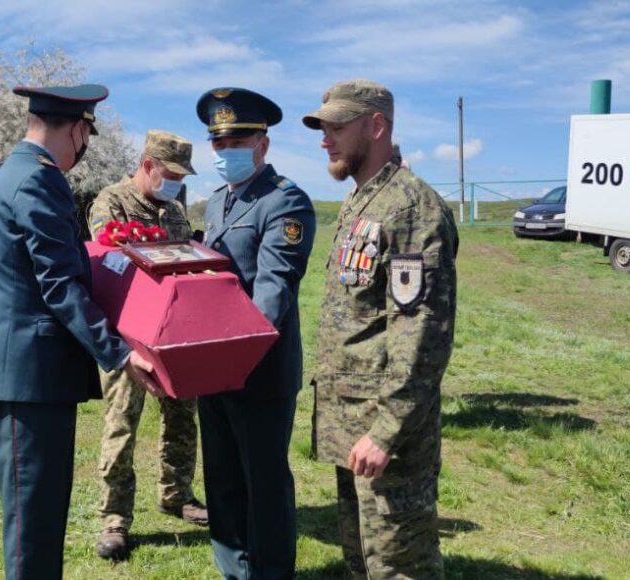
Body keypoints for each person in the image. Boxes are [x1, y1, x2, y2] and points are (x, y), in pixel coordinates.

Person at [0, 84, 162, 580]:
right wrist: (119, 354)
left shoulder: (17, 172)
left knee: (41, 515)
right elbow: (58, 285)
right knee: (33, 526)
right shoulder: (37, 180)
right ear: (78, 129)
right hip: (29, 381)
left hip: (29, 378)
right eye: (87, 134)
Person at [303, 80, 459, 579]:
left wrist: (387, 431)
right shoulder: (361, 201)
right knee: (362, 558)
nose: (325, 139)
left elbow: (421, 334)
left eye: (337, 127)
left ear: (376, 125)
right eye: (323, 127)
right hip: (352, 422)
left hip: (385, 432)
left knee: (398, 563)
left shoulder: (410, 208)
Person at [196, 87, 316, 579]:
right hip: (210, 367)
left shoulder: (285, 203)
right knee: (222, 481)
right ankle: (233, 570)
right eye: (219, 145)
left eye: (237, 143)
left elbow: (274, 290)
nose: (227, 154)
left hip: (259, 369)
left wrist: (237, 354)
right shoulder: (216, 203)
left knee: (263, 485)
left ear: (263, 145)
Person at [87, 129, 208, 560]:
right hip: (128, 333)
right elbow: (111, 260)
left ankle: (176, 494)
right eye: (169, 173)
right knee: (122, 422)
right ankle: (115, 518)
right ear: (147, 165)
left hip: (172, 331)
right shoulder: (111, 202)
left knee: (182, 414)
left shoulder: (174, 210)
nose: (175, 181)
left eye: (181, 174)